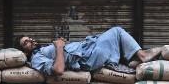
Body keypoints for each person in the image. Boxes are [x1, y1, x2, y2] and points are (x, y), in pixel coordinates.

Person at [15, 26, 161, 76]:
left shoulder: (42, 49)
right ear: (24, 52)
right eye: (25, 42)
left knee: (113, 39)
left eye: (30, 38)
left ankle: (128, 62)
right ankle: (143, 54)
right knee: (116, 31)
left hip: (89, 49)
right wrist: (59, 46)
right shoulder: (36, 58)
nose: (31, 41)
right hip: (88, 58)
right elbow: (58, 70)